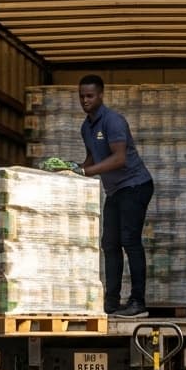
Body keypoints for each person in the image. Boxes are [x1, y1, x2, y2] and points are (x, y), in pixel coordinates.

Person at [72, 74, 154, 318]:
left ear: (100, 95)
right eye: (81, 96)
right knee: (109, 243)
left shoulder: (113, 121)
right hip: (116, 191)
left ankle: (138, 302)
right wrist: (72, 169)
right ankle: (111, 301)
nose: (85, 100)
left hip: (135, 185)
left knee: (130, 241)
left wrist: (85, 171)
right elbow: (91, 159)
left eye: (90, 96)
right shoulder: (86, 127)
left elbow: (119, 159)